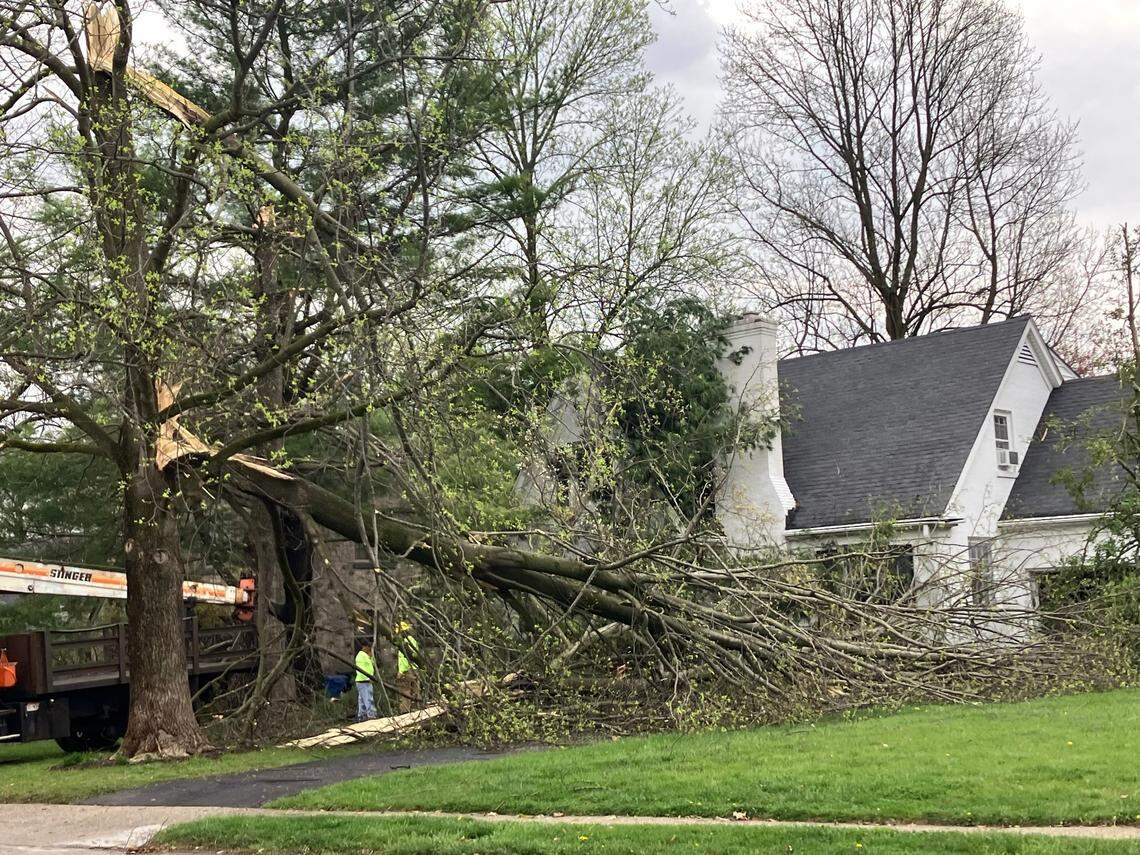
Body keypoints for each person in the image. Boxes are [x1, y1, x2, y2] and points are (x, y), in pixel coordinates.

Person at [394, 621, 420, 714]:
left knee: (405, 690)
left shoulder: (403, 643)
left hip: (407, 670)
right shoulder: (413, 640)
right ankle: (418, 708)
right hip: (415, 668)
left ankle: (405, 711)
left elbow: (404, 658)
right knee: (416, 689)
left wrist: (401, 672)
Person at [354, 639, 377, 722]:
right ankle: (371, 714)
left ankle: (362, 715)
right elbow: (362, 670)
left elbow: (371, 665)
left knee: (362, 700)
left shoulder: (366, 656)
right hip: (363, 680)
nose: (369, 649)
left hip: (365, 680)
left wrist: (371, 657)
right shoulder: (360, 656)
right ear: (364, 647)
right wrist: (369, 678)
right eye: (368, 647)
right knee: (368, 698)